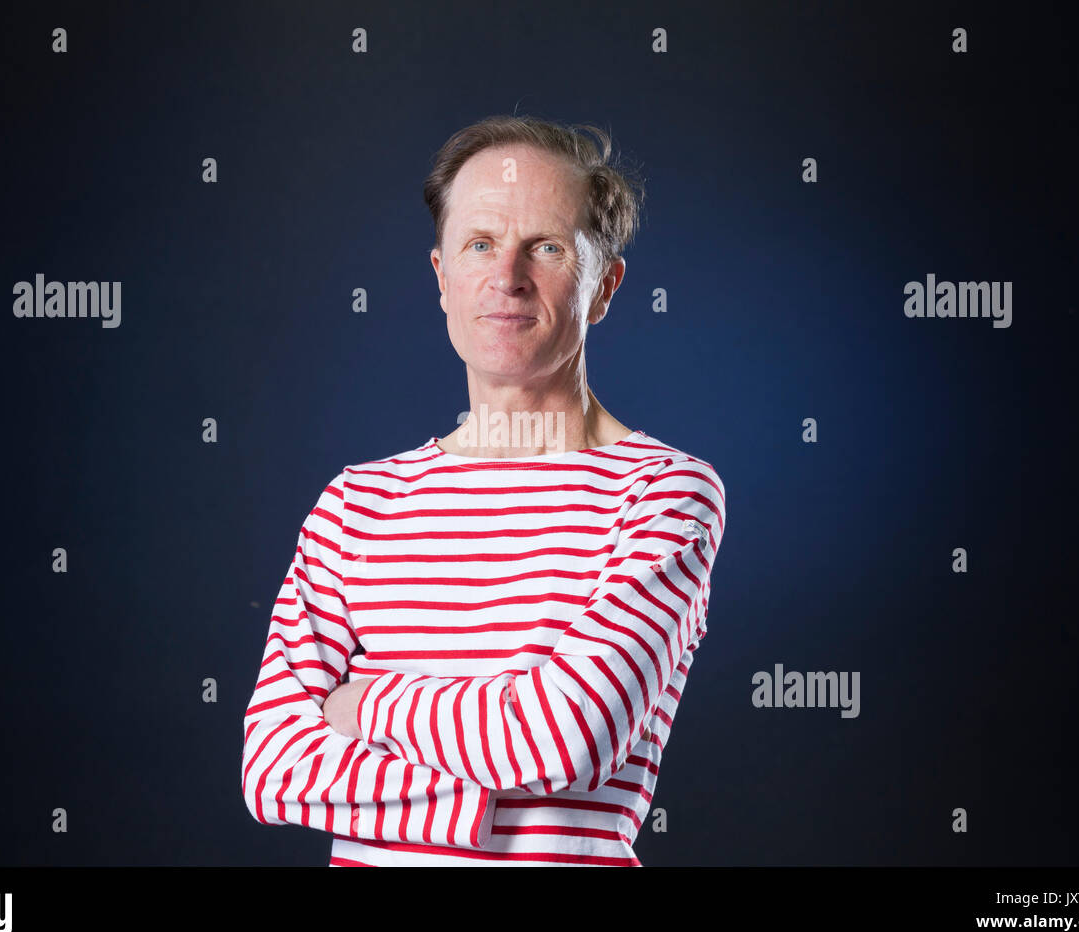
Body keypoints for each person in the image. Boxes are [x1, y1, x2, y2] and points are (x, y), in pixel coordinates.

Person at [241, 115, 724, 865]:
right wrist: (493, 794)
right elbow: (273, 767)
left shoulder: (664, 494)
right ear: (441, 277)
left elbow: (564, 735)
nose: (507, 277)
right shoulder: (354, 506)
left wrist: (364, 703)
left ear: (604, 287)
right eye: (480, 245)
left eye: (549, 248)